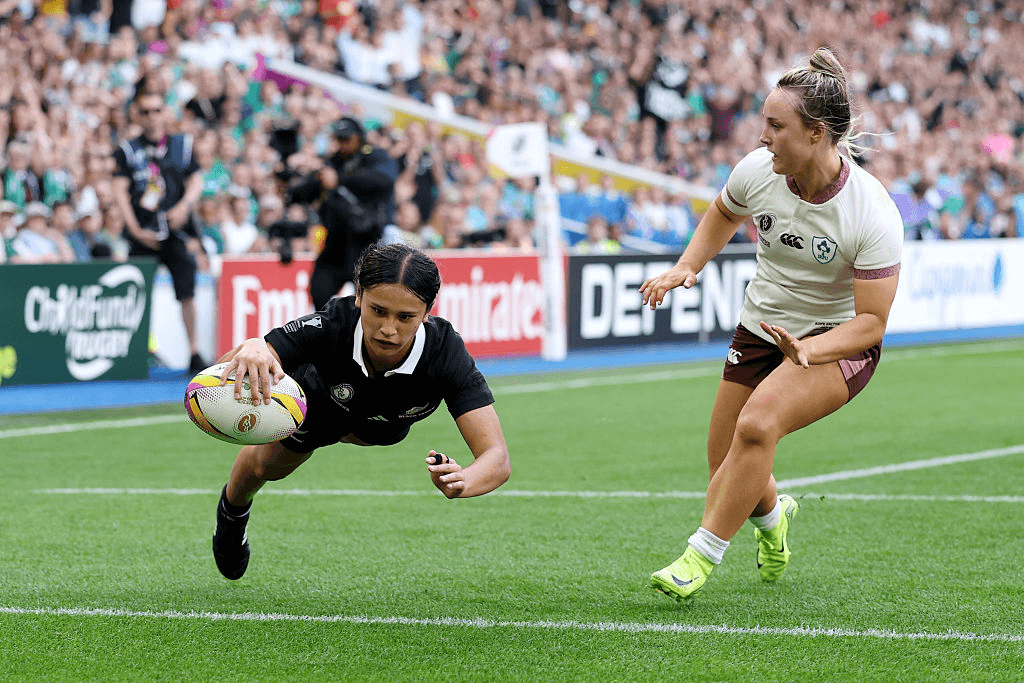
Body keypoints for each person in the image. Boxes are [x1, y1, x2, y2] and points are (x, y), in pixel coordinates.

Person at [640, 47, 903, 601]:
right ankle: (773, 518)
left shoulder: (872, 211)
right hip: (760, 329)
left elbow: (872, 324)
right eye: (764, 122)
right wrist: (687, 267)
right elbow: (723, 213)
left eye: (775, 125)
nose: (763, 136)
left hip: (835, 344)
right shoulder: (758, 171)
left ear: (816, 134)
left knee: (758, 424)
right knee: (724, 460)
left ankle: (699, 556)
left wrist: (812, 351)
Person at [210, 242, 511, 580]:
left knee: (374, 432)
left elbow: (496, 457)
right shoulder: (333, 323)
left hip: (383, 429)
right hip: (316, 409)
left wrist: (465, 480)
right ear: (358, 297)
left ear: (427, 312)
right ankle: (232, 516)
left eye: (406, 317)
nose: (388, 328)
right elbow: (215, 381)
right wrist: (252, 347)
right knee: (266, 466)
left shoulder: (445, 353)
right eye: (378, 310)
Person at [112, 84, 209, 374]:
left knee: (187, 290)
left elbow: (196, 180)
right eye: (146, 111)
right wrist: (133, 228)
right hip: (142, 233)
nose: (152, 116)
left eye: (157, 110)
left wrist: (185, 206)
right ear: (138, 115)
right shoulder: (128, 150)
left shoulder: (181, 145)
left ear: (164, 113)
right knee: (134, 291)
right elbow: (119, 190)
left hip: (174, 231)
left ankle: (193, 351)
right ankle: (134, 352)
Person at [287, 116, 399, 310]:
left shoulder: (374, 157)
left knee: (373, 302)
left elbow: (383, 181)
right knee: (319, 292)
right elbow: (303, 192)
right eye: (338, 139)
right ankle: (332, 335)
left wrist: (339, 179)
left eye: (346, 139)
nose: (342, 144)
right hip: (336, 243)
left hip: (369, 240)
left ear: (359, 138)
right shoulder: (333, 161)